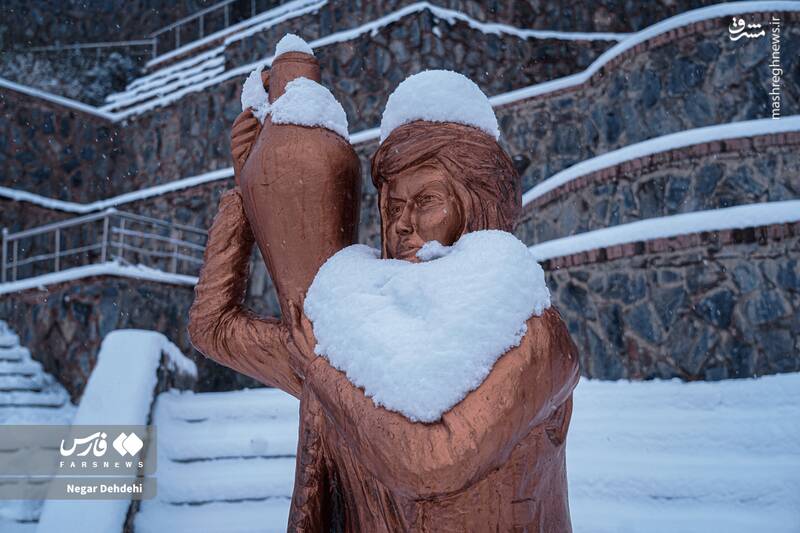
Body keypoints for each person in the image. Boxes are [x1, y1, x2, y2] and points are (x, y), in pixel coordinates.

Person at [189, 70, 580, 532]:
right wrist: (249, 193)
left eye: (426, 201)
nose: (402, 223)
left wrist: (322, 373)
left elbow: (430, 463)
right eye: (394, 206)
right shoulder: (354, 333)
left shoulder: (532, 333)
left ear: (475, 206)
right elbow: (214, 327)